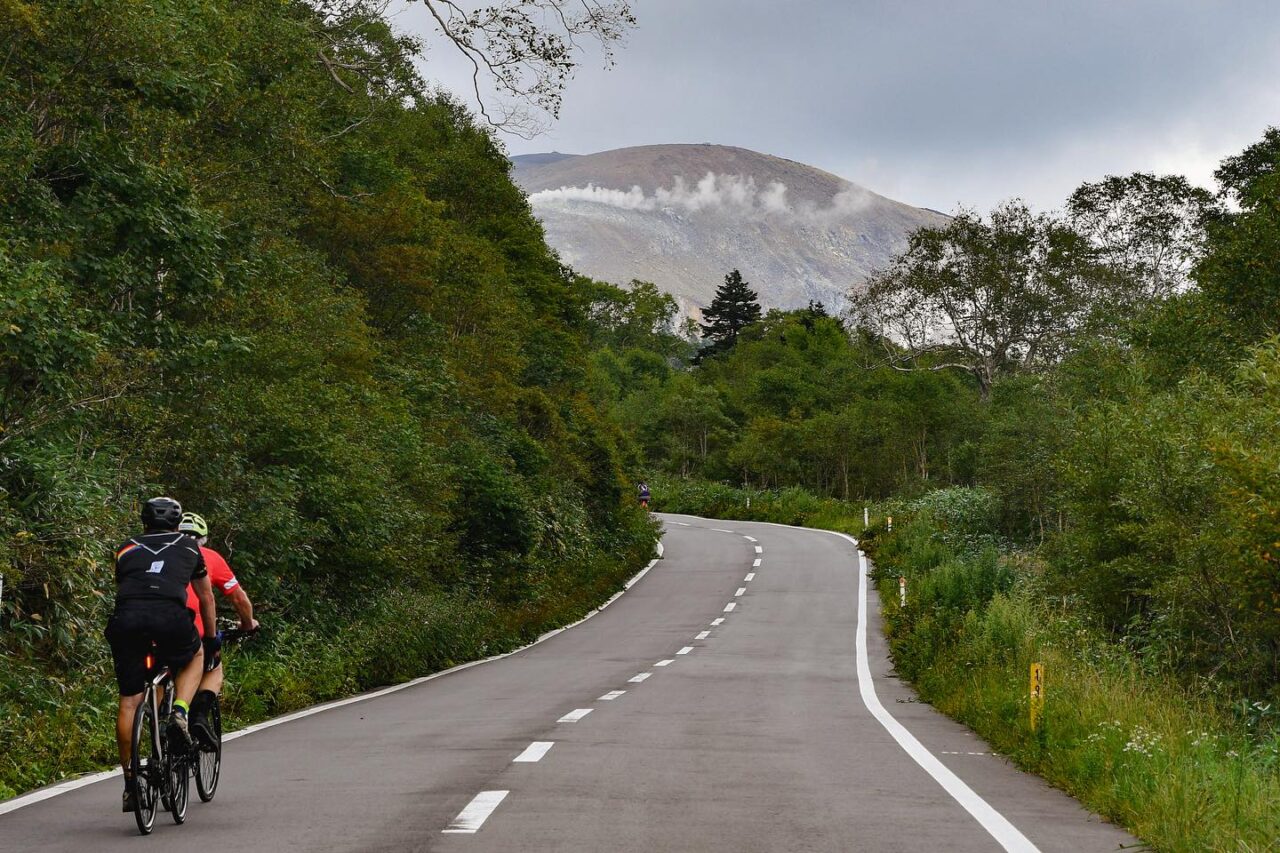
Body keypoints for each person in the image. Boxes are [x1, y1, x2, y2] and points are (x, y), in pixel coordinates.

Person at [106, 497, 218, 813]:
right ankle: (180, 713)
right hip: (169, 619)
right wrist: (210, 640)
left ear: (143, 522)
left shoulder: (124, 548)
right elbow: (206, 597)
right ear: (176, 523)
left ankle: (131, 784)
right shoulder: (189, 547)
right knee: (195, 656)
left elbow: (127, 584)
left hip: (126, 621)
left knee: (129, 700)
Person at [177, 512, 258, 746]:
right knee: (213, 665)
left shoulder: (162, 555)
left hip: (151, 624)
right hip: (194, 628)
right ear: (203, 539)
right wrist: (247, 623)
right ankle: (199, 716)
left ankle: (161, 727)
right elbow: (239, 599)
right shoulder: (209, 557)